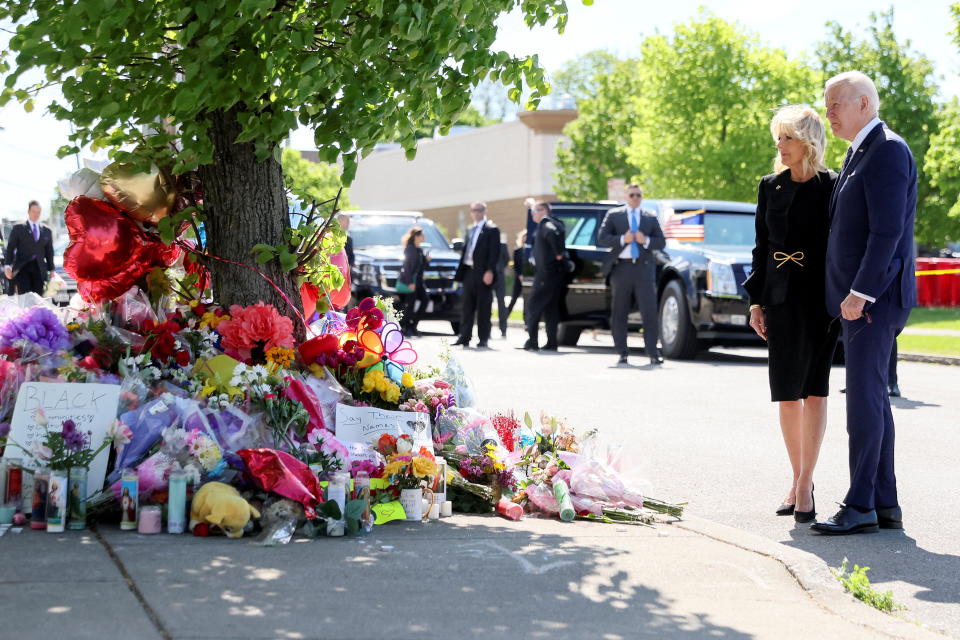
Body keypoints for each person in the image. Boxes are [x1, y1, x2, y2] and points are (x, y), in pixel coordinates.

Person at [811, 71, 917, 536]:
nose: (829, 112)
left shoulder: (888, 150)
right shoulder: (861, 152)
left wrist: (861, 292)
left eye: (836, 104)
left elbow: (887, 232)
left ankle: (858, 507)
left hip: (872, 301)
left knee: (863, 403)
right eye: (828, 104)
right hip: (858, 300)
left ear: (865, 104)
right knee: (873, 400)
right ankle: (883, 502)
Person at [743, 105, 839, 524]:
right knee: (786, 393)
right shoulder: (770, 186)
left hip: (819, 300)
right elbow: (761, 247)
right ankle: (799, 477)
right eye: (777, 138)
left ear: (808, 141)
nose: (779, 146)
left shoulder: (831, 186)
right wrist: (755, 301)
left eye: (787, 138)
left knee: (815, 390)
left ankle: (803, 485)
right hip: (779, 299)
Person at [597, 185, 666, 366]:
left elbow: (661, 242)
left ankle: (652, 352)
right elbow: (602, 238)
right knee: (619, 311)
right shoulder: (614, 215)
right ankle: (622, 352)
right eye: (632, 195)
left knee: (649, 312)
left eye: (638, 195)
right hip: (621, 269)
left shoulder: (650, 217)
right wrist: (622, 239)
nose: (635, 198)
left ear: (642, 197)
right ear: (626, 197)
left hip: (644, 269)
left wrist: (647, 240)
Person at [453, 201, 500, 348]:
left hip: (483, 273)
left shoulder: (491, 229)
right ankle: (464, 336)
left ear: (484, 211)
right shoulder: (471, 229)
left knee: (483, 308)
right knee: (467, 307)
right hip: (469, 272)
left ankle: (483, 338)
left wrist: (490, 271)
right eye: (473, 210)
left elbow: (494, 252)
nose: (476, 213)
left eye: (479, 210)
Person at [524, 202, 567, 351]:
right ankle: (552, 342)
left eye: (534, 211)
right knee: (550, 309)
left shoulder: (546, 225)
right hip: (553, 275)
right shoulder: (556, 222)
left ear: (544, 211)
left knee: (533, 306)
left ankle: (532, 341)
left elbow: (551, 233)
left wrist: (558, 253)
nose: (532, 214)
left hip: (545, 275)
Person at [3, 200, 54, 296]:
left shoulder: (46, 230)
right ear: (28, 212)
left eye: (38, 212)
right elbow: (10, 248)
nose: (36, 214)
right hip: (23, 268)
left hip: (39, 269)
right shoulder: (18, 228)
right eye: (33, 211)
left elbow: (49, 252)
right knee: (25, 298)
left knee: (38, 298)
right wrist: (7, 266)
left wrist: (51, 270)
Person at [398, 226, 430, 337]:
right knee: (410, 305)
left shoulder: (419, 249)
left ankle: (413, 325)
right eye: (422, 235)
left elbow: (421, 266)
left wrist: (426, 260)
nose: (424, 237)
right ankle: (407, 328)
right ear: (416, 236)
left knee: (425, 300)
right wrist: (409, 283)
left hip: (419, 282)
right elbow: (406, 267)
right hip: (411, 281)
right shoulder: (409, 248)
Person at [506, 229, 527, 319]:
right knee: (514, 298)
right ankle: (505, 317)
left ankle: (526, 320)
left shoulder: (530, 251)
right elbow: (515, 265)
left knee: (527, 300)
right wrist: (519, 275)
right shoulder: (517, 250)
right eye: (524, 237)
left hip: (527, 278)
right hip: (519, 278)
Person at [494, 233, 510, 338]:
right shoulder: (486, 244)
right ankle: (487, 329)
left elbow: (507, 259)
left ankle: (503, 329)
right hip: (488, 277)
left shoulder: (502, 245)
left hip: (499, 277)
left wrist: (500, 269)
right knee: (486, 303)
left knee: (501, 303)